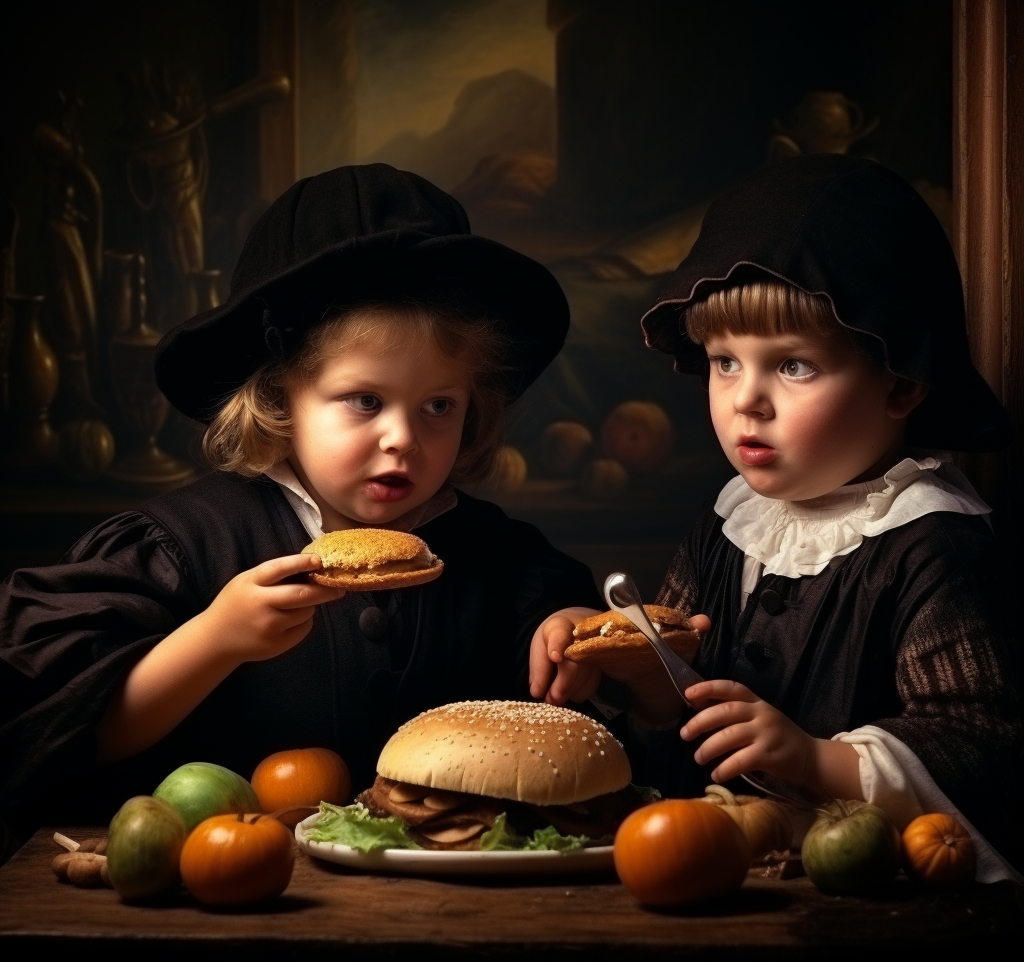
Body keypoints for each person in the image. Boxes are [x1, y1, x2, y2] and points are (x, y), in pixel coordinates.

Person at [0, 164, 601, 852]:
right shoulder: (179, 547)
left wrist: (571, 630)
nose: (402, 438)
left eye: (439, 405)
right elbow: (66, 735)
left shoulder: (502, 557)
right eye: (365, 401)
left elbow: (569, 670)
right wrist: (215, 639)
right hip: (233, 903)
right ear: (282, 399)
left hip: (455, 907)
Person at [530, 154, 1022, 878]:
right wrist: (630, 665)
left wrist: (816, 760)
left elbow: (983, 747)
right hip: (718, 877)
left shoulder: (933, 544)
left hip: (864, 906)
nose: (745, 400)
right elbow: (681, 717)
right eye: (726, 362)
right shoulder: (730, 523)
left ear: (903, 383)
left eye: (793, 366)